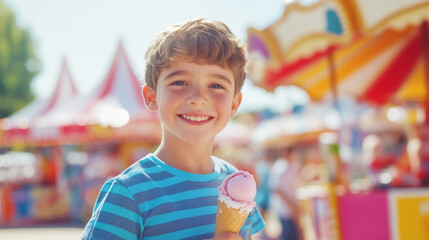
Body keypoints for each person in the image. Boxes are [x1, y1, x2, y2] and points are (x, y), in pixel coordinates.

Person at [81, 18, 265, 240]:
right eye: (180, 82)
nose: (198, 98)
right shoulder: (128, 193)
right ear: (151, 97)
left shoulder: (237, 185)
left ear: (234, 104)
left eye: (216, 85)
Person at [269, 147, 303, 240]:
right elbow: (277, 189)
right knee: (289, 235)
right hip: (285, 209)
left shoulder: (291, 166)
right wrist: (292, 205)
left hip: (291, 208)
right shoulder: (280, 168)